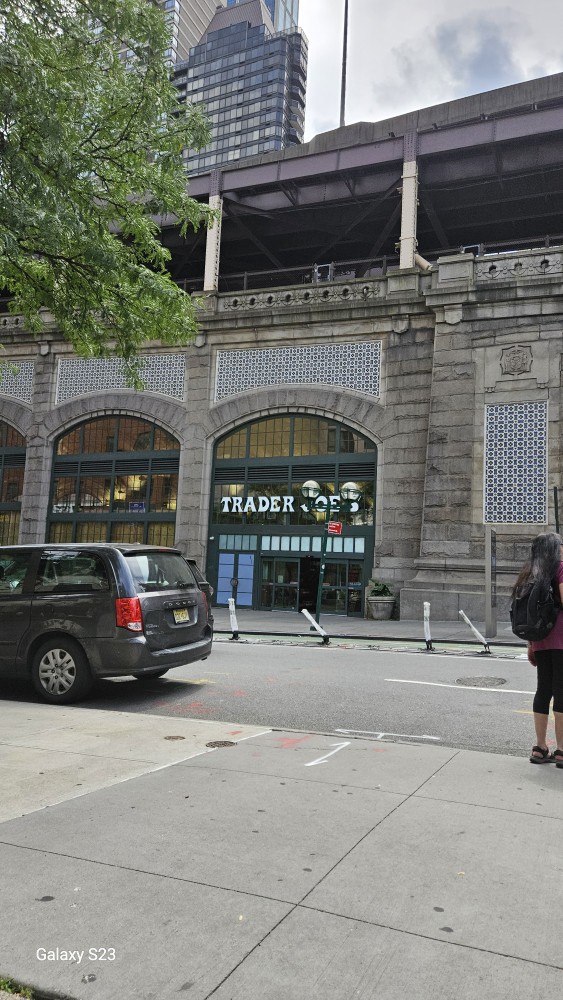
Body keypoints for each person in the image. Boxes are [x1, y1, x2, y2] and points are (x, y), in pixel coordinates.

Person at [513, 532, 563, 765]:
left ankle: (540, 747)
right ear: (554, 548)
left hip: (540, 639)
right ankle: (561, 750)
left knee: (543, 690)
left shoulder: (530, 573)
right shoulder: (560, 568)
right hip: (561, 638)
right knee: (561, 692)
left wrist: (531, 644)